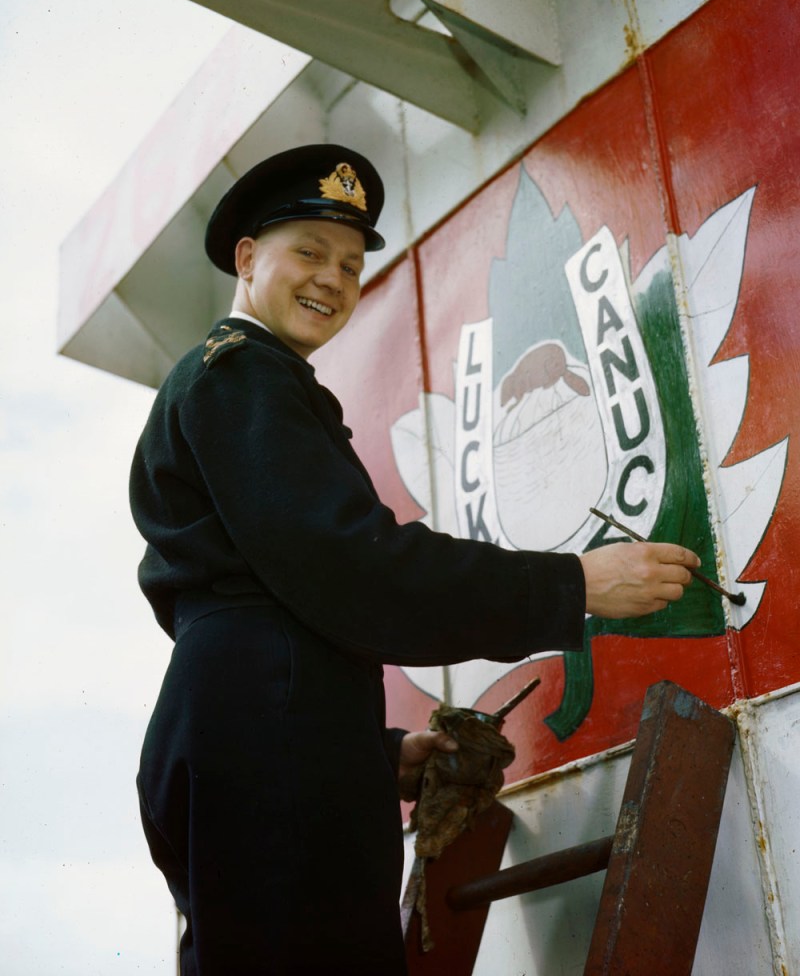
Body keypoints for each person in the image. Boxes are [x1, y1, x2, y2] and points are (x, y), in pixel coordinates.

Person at [129, 144, 700, 975]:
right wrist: (573, 584)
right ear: (248, 259)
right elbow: (357, 571)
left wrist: (372, 751)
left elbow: (285, 596)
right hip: (267, 745)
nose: (334, 278)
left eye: (353, 264)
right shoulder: (245, 377)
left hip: (255, 730)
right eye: (310, 253)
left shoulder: (232, 380)